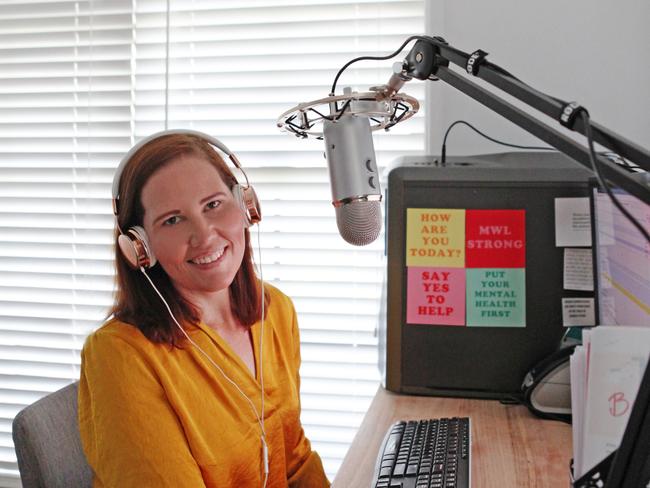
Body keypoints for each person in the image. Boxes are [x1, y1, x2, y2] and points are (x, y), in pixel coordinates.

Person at [78, 131, 330, 487]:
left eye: (213, 205)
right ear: (140, 247)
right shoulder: (120, 354)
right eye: (172, 220)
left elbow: (296, 463)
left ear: (246, 206)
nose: (204, 235)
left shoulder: (275, 312)